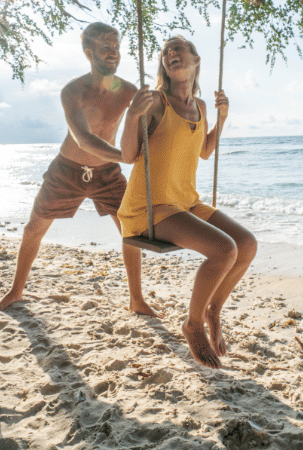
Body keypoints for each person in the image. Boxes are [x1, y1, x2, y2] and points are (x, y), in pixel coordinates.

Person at [0, 22, 156, 316]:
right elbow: (84, 139)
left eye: (116, 48)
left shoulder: (129, 91)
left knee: (131, 232)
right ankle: (16, 291)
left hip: (107, 175)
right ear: (88, 52)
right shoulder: (73, 91)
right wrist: (125, 157)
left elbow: (155, 121)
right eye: (106, 48)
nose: (113, 54)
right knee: (33, 229)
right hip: (67, 170)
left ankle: (136, 299)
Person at [118, 35, 257, 369]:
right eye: (166, 51)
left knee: (247, 245)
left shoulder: (201, 107)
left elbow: (205, 151)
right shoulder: (154, 102)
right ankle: (192, 324)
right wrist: (131, 116)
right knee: (224, 250)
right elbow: (127, 156)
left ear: (196, 60)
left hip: (186, 201)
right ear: (164, 65)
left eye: (177, 49)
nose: (170, 54)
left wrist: (221, 119)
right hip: (149, 207)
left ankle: (213, 311)